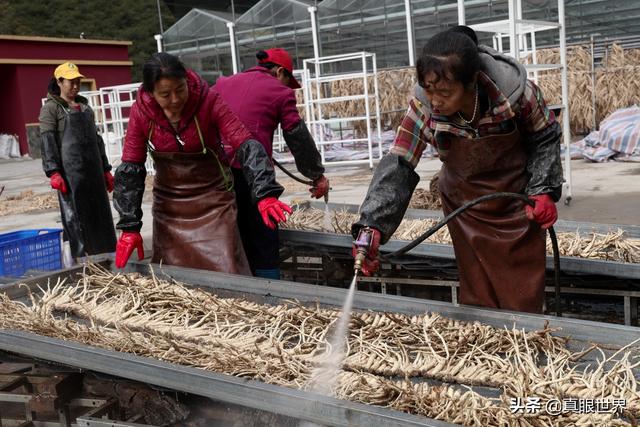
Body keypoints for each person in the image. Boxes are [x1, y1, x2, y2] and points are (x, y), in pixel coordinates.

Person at [351, 26, 563, 314]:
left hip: (516, 203)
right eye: (429, 90)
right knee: (477, 290)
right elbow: (400, 161)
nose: (435, 100)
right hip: (465, 205)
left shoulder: (517, 94)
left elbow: (545, 135)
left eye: (445, 92)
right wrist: (372, 226)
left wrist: (543, 190)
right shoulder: (425, 106)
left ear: (472, 82)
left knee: (521, 295)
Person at [113, 52, 291, 274]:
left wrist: (264, 192)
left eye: (180, 90)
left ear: (187, 81)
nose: (175, 99)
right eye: (165, 95)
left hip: (214, 201)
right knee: (173, 277)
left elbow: (244, 142)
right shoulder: (141, 112)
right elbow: (131, 167)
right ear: (151, 93)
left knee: (227, 268)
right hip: (170, 205)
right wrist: (130, 225)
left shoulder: (208, 100)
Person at [214, 48, 329, 279]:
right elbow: (298, 139)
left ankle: (236, 285)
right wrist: (317, 176)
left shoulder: (223, 84)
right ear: (279, 72)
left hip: (214, 173)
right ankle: (269, 293)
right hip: (252, 174)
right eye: (288, 80)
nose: (288, 87)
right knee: (264, 232)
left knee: (231, 234)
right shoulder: (280, 91)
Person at [39, 62, 116, 259]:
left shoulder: (85, 108)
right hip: (71, 176)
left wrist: (105, 169)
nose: (75, 86)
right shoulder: (51, 109)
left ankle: (108, 255)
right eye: (70, 82)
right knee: (76, 218)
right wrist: (53, 172)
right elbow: (48, 141)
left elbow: (97, 141)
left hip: (94, 172)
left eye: (78, 81)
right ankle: (83, 261)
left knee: (101, 215)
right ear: (59, 82)